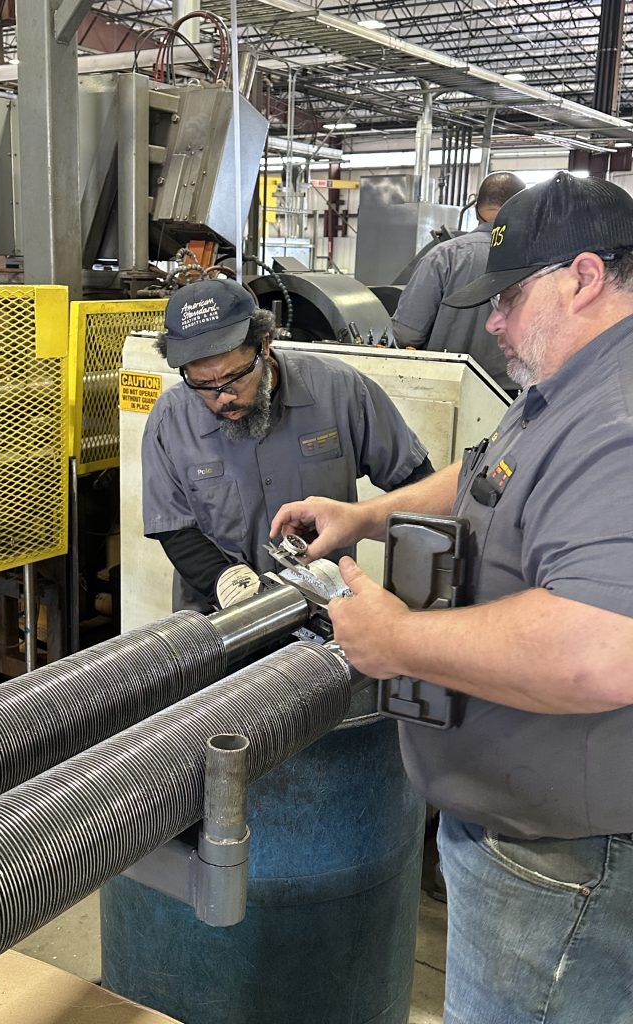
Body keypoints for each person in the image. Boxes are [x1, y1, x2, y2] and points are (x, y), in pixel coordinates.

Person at [270, 171, 633, 1024]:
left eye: (509, 297)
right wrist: (366, 513)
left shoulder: (618, 421)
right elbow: (484, 477)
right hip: (518, 834)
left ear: (584, 277)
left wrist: (400, 643)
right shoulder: (564, 389)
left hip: (561, 861)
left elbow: (601, 650)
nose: (493, 320)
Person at [141, 277, 433, 612]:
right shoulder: (170, 420)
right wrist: (224, 581)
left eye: (235, 376)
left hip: (323, 614)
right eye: (203, 384)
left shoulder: (341, 391)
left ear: (264, 344)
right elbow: (174, 528)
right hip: (219, 617)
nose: (223, 396)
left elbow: (418, 482)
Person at [392, 171, 525, 392]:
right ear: (524, 210)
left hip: (443, 389)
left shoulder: (444, 255)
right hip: (512, 395)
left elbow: (407, 334)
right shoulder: (540, 259)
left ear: (475, 210)